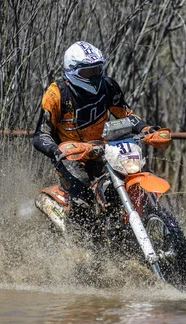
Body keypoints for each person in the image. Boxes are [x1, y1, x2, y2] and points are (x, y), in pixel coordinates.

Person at [33, 41, 160, 206]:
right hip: (71, 156)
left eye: (97, 70)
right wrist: (56, 150)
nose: (94, 76)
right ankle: (76, 230)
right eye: (88, 72)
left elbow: (126, 114)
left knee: (128, 179)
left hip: (103, 149)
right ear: (71, 71)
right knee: (83, 200)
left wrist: (145, 128)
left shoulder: (108, 86)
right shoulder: (55, 95)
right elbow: (40, 134)